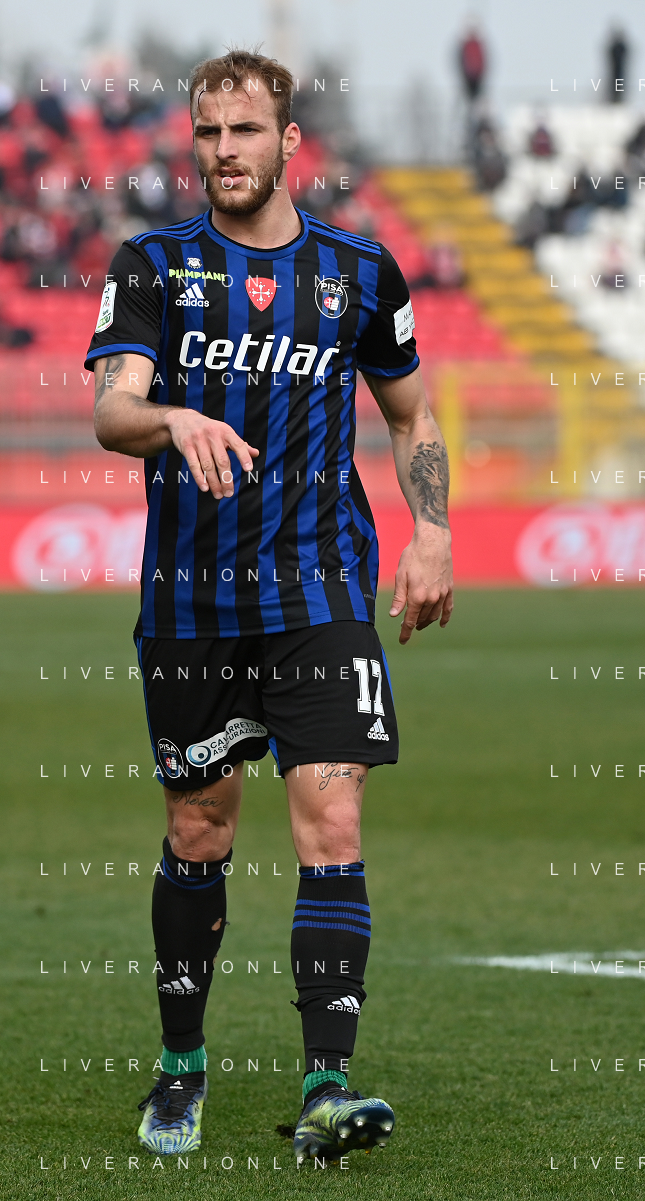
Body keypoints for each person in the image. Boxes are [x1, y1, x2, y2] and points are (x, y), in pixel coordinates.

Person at [86, 49, 453, 1163]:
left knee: (332, 821)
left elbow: (409, 415)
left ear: (290, 142)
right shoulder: (153, 265)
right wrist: (172, 420)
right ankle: (181, 1065)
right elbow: (111, 410)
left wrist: (432, 530)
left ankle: (327, 1087)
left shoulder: (358, 270)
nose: (223, 151)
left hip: (320, 588)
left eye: (244, 130)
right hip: (192, 599)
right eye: (207, 132)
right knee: (199, 829)